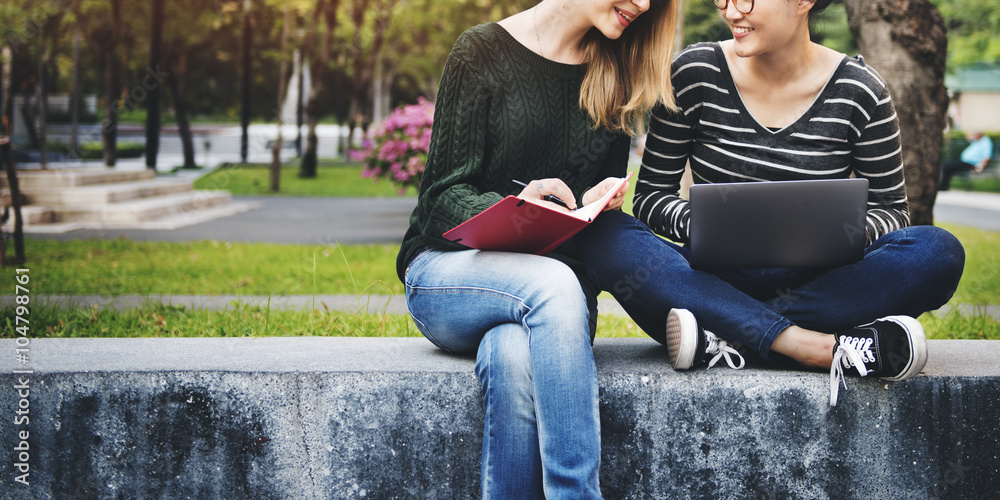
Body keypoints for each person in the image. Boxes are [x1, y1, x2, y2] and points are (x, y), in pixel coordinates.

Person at [576, 0, 965, 406]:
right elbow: (652, 197)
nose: (731, 11)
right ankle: (811, 345)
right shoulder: (694, 72)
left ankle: (726, 337)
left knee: (937, 252)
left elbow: (892, 212)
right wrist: (710, 224)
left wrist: (833, 232)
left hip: (813, 284)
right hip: (707, 277)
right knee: (604, 232)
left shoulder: (861, 90)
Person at [398, 0, 678, 496]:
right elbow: (440, 197)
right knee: (552, 285)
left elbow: (589, 225)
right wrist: (515, 208)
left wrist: (596, 209)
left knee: (511, 356)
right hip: (449, 277)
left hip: (554, 303)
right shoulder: (480, 52)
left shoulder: (612, 72)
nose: (642, 4)